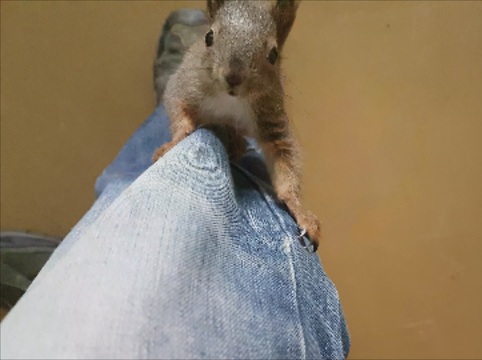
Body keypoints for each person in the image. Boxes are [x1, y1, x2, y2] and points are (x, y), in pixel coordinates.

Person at [0, 9, 350, 359]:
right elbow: (180, 98)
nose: (233, 75)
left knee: (134, 179)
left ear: (276, 53)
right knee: (189, 134)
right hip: (200, 95)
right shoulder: (200, 72)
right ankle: (77, 260)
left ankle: (75, 264)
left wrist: (293, 201)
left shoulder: (268, 94)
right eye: (212, 40)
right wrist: (183, 127)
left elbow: (282, 146)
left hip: (250, 105)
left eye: (270, 55)